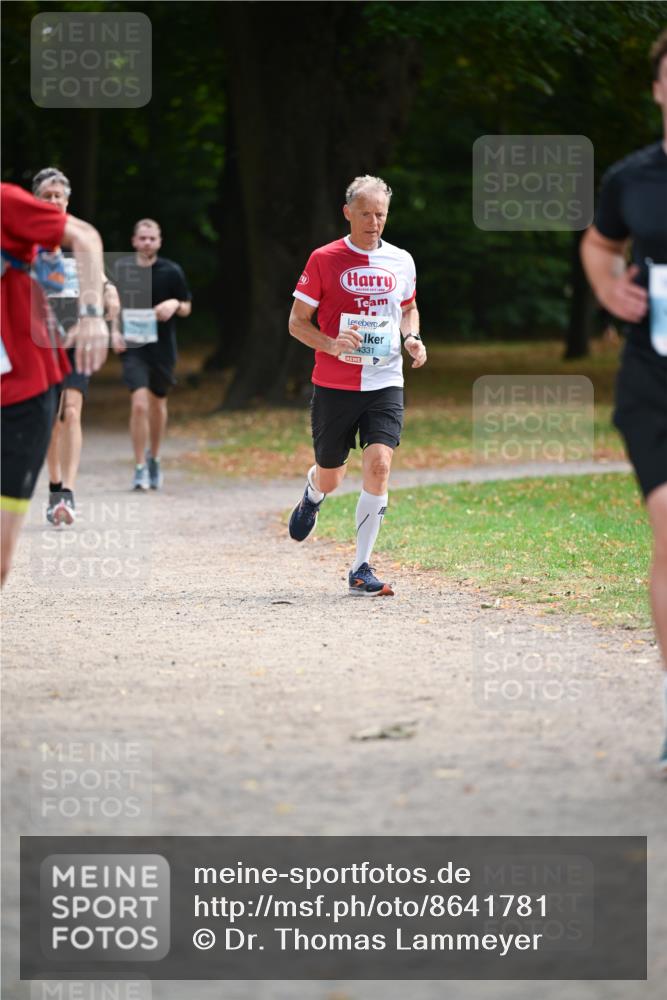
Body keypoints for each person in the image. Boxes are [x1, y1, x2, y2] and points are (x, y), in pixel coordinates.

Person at [581, 29, 667, 773]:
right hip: (653, 381)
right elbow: (598, 243)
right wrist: (610, 288)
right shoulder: (631, 178)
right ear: (658, 88)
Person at [287, 175, 427, 596]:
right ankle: (314, 493)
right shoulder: (324, 259)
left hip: (385, 380)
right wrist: (330, 344)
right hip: (335, 384)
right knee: (332, 475)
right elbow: (296, 324)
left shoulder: (402, 260)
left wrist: (412, 337)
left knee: (380, 463)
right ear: (348, 213)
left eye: (380, 214)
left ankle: (361, 567)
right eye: (365, 213)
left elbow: (409, 308)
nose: (373, 222)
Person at [0, 182, 108, 586]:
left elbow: (85, 235)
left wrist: (94, 313)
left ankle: (63, 489)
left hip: (19, 396)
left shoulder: (6, 203)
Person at [32, 167, 121, 526]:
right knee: (51, 417)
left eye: (59, 196)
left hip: (77, 338)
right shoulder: (26, 236)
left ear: (67, 201)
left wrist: (110, 290)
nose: (53, 201)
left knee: (71, 409)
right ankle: (55, 489)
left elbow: (98, 275)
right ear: (36, 200)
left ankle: (67, 491)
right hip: (40, 338)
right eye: (47, 196)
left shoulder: (79, 236)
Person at [113, 219, 192, 490]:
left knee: (158, 404)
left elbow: (186, 306)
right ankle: (138, 468)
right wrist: (114, 331)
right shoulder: (122, 269)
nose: (147, 242)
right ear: (134, 241)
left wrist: (174, 303)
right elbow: (113, 304)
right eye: (142, 238)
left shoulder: (171, 271)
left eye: (152, 238)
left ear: (159, 241)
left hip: (162, 348)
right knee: (138, 404)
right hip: (133, 347)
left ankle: (155, 457)